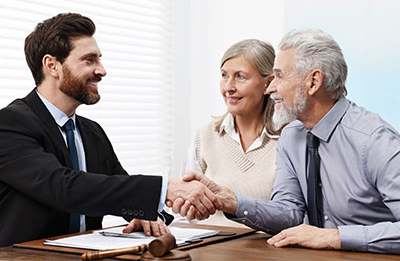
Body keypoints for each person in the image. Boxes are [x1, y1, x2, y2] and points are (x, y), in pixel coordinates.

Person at [0, 13, 221, 247]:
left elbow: (117, 186)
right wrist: (166, 188)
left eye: (99, 59)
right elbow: (64, 188)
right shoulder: (9, 124)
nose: (102, 70)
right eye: (89, 60)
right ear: (52, 65)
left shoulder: (91, 131)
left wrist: (147, 215)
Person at [175, 29, 400, 254]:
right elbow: (289, 213)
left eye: (280, 77)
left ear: (313, 82)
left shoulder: (375, 141)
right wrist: (232, 201)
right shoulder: (292, 137)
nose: (271, 88)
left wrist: (334, 237)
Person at [179, 39, 280, 227]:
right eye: (224, 75)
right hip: (208, 248)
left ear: (268, 83)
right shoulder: (205, 135)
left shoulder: (290, 138)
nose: (228, 87)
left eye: (240, 77)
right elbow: (183, 209)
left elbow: (295, 214)